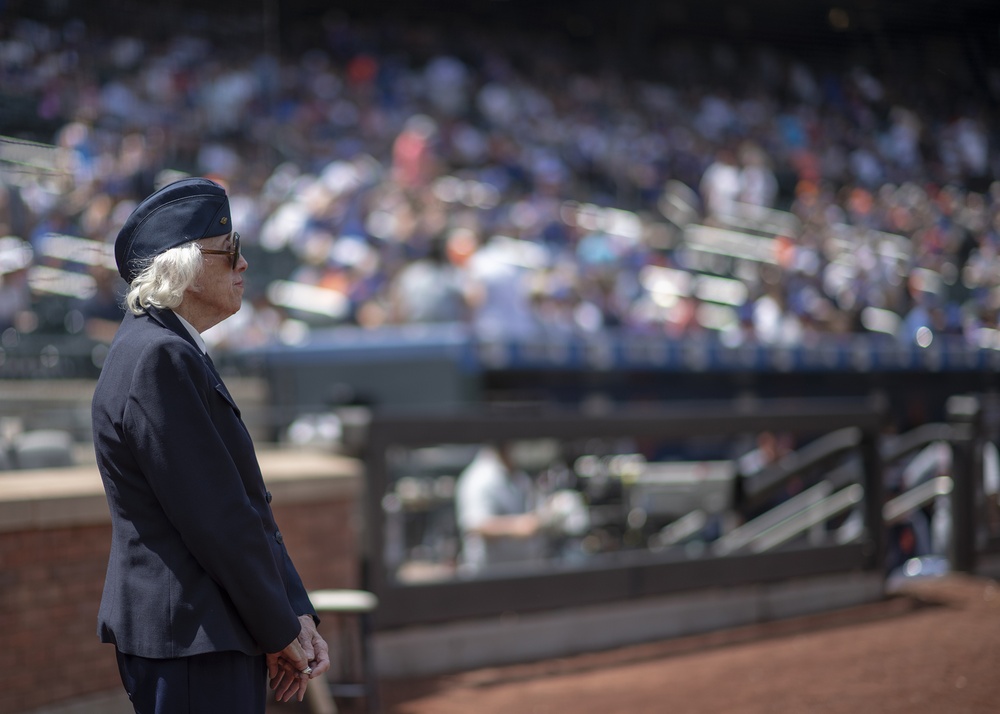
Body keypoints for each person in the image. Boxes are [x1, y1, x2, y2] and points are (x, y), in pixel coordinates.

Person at [91, 177, 330, 713]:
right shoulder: (159, 355)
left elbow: (245, 508)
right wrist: (278, 627)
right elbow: (217, 516)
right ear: (184, 268)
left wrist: (295, 612)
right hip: (192, 637)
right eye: (230, 252)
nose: (243, 264)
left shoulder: (169, 347)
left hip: (208, 631)